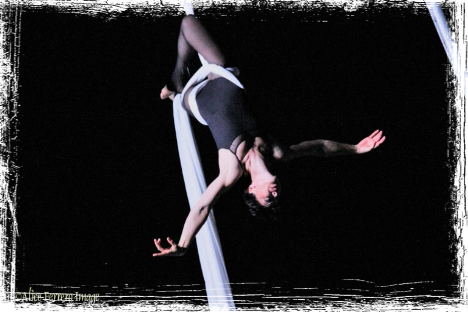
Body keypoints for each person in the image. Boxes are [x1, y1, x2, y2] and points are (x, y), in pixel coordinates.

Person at [154, 15, 386, 257]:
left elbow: (203, 206)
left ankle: (176, 87)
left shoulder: (231, 170)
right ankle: (173, 86)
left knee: (184, 53)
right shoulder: (277, 151)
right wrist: (356, 148)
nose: (275, 194)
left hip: (197, 99)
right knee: (190, 23)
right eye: (278, 197)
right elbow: (321, 148)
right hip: (222, 73)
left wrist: (182, 245)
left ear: (252, 189)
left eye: (269, 199)